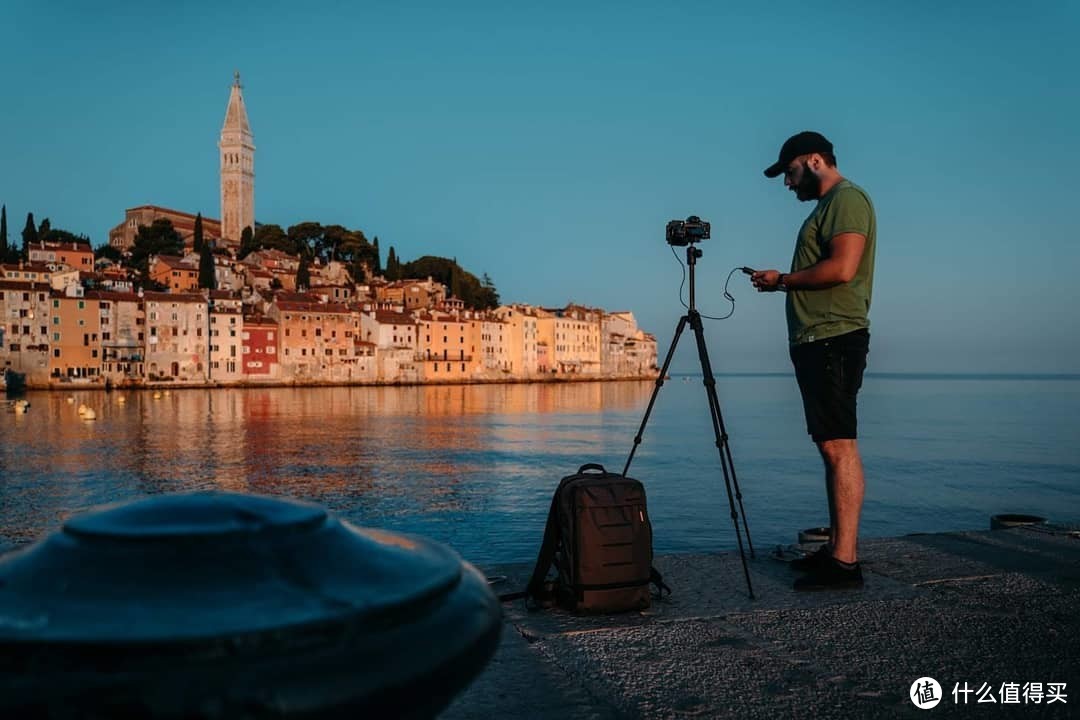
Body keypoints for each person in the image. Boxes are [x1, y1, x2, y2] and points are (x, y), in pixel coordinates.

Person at [752, 131, 876, 591]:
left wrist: (782, 279)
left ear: (815, 160)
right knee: (830, 444)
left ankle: (845, 562)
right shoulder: (827, 207)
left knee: (838, 445)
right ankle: (837, 550)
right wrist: (780, 282)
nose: (788, 184)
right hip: (818, 339)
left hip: (833, 337)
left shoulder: (847, 199)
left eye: (790, 172)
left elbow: (843, 268)